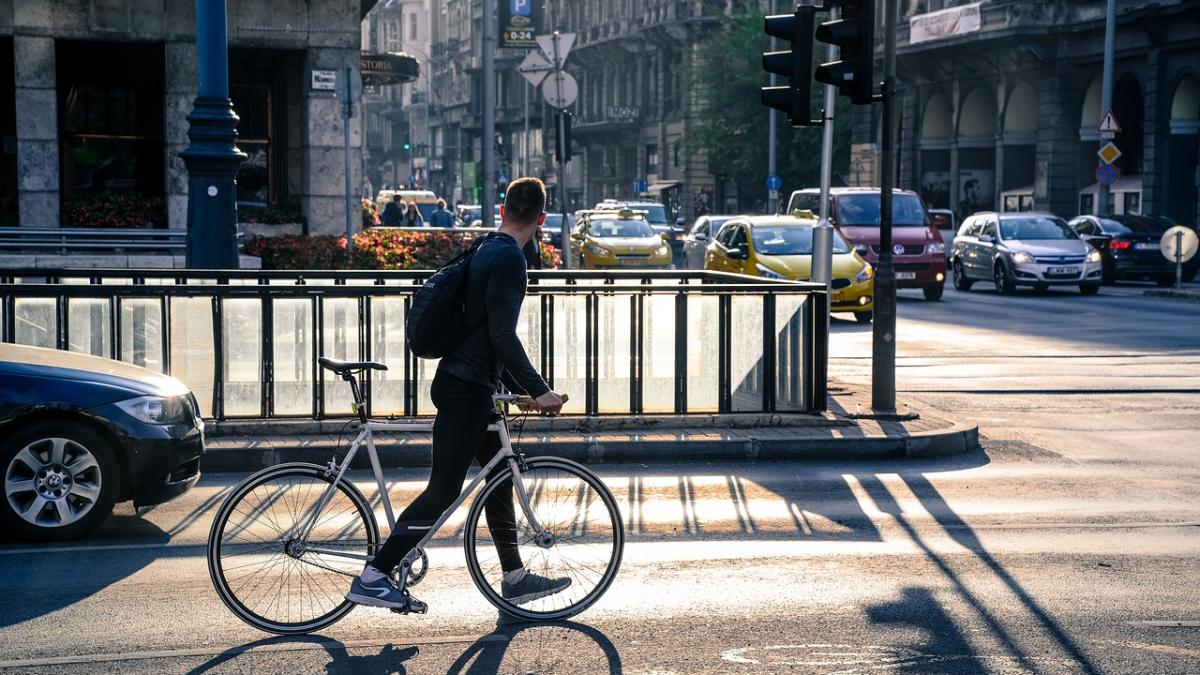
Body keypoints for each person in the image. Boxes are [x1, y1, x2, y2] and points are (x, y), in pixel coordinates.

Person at [345, 177, 568, 611]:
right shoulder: (510, 259)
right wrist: (539, 390)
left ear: (502, 209)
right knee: (443, 490)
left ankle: (514, 577)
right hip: (466, 389)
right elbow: (502, 335)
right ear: (542, 219)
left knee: (499, 480)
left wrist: (513, 390)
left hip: (474, 385)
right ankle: (375, 576)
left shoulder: (486, 246)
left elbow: (482, 332)